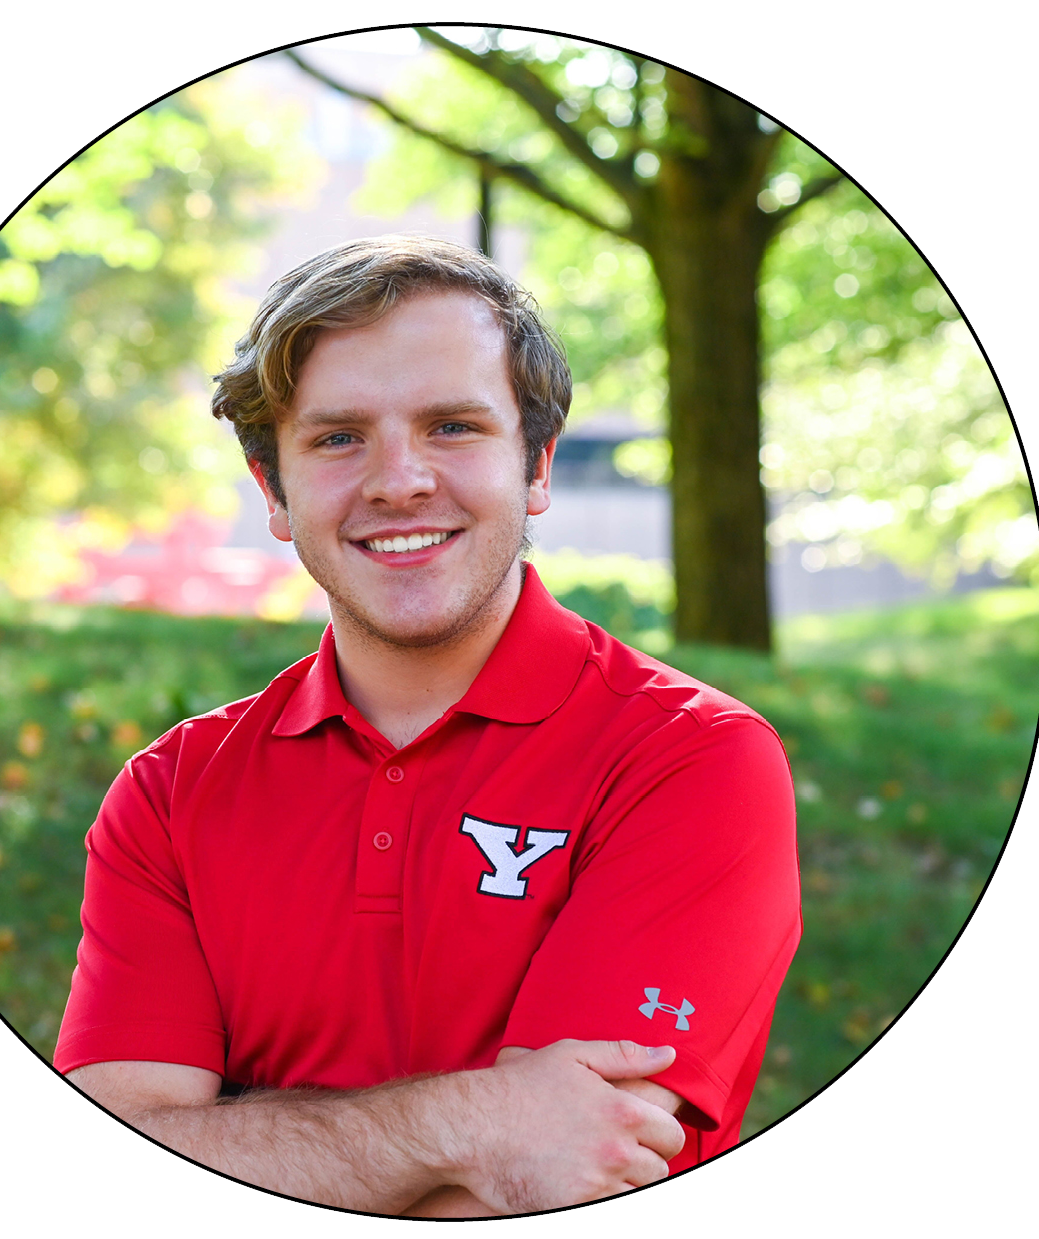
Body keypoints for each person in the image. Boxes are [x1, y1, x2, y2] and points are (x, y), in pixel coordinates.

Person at [52, 235, 801, 1218]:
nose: (399, 480)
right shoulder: (171, 793)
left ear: (537, 466)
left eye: (452, 427)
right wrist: (463, 1126)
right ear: (273, 488)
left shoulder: (694, 760)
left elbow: (560, 1177)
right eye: (337, 437)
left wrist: (241, 1141)